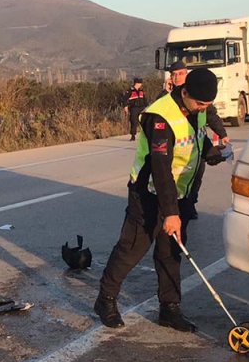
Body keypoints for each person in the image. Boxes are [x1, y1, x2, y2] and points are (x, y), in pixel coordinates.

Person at [94, 68, 221, 333]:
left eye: (208, 105)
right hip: (149, 193)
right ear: (184, 92)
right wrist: (170, 213)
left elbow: (197, 140)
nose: (203, 109)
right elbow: (161, 168)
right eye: (200, 104)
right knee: (132, 249)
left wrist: (211, 152)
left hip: (180, 194)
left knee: (171, 252)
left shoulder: (196, 109)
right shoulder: (159, 117)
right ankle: (105, 299)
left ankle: (170, 308)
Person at [161, 61, 229, 218]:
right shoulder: (166, 99)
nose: (176, 77)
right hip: (176, 153)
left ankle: (190, 203)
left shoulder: (201, 93)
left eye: (180, 73)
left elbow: (210, 116)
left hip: (196, 148)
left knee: (196, 177)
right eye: (173, 74)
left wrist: (222, 134)